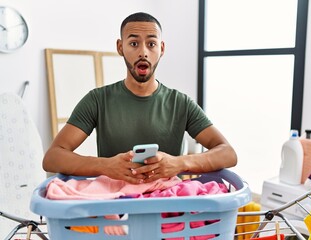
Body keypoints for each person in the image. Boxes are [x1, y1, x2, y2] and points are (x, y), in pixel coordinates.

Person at [42, 12, 237, 184]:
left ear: (162, 48)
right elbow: (53, 157)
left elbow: (227, 153)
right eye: (134, 43)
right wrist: (106, 166)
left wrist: (178, 163)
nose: (143, 51)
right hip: (115, 209)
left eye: (151, 44)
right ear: (120, 47)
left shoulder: (181, 103)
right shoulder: (97, 100)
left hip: (167, 209)